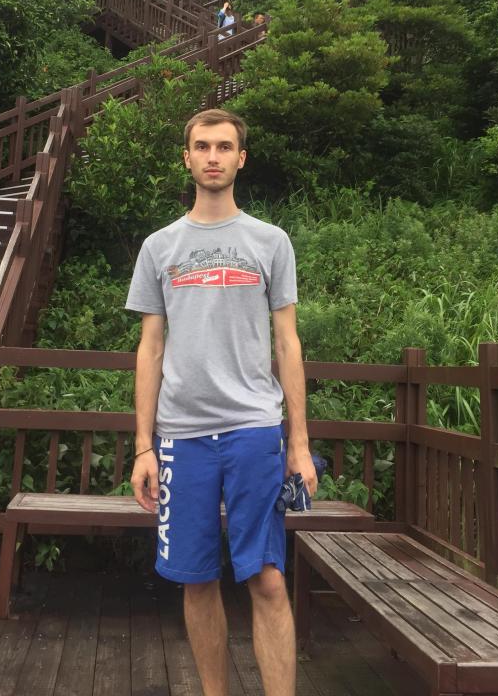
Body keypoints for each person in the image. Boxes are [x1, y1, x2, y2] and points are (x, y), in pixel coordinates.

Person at [128, 109, 315, 696]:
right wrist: (143, 448)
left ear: (241, 158)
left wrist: (298, 443)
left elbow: (287, 343)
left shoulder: (270, 241)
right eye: (203, 146)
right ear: (187, 158)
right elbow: (150, 348)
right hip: (181, 436)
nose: (213, 156)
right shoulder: (159, 247)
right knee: (196, 579)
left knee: (267, 579)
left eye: (225, 146)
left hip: (254, 429)